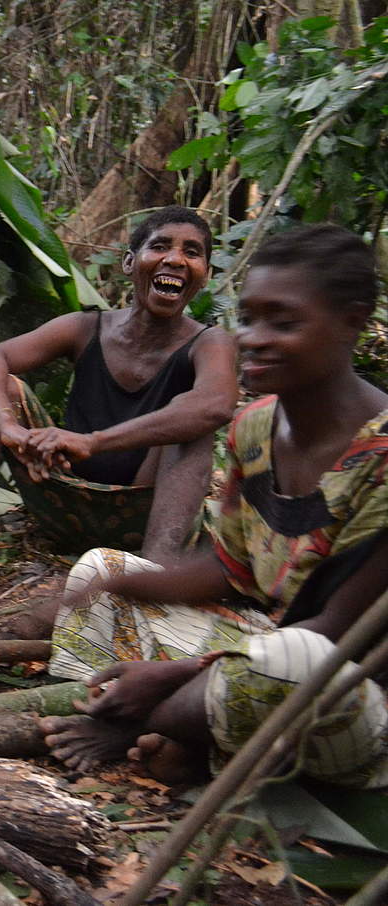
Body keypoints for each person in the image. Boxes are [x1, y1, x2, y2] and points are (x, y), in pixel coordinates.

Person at [36, 225, 388, 788]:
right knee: (103, 565)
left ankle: (148, 725)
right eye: (248, 319)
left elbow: (338, 634)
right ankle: (186, 728)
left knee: (286, 665)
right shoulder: (256, 427)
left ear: (351, 321)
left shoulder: (383, 456)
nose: (255, 338)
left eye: (285, 322)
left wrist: (168, 676)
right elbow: (229, 571)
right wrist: (121, 588)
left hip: (352, 696)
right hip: (267, 643)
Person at [0, 205, 239, 598]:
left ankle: (156, 575)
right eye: (160, 246)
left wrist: (93, 441)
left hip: (140, 515)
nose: (175, 260)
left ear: (206, 276)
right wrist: (9, 427)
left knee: (191, 426)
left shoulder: (210, 342)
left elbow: (214, 406)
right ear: (130, 263)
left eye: (191, 252)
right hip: (62, 502)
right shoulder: (84, 327)